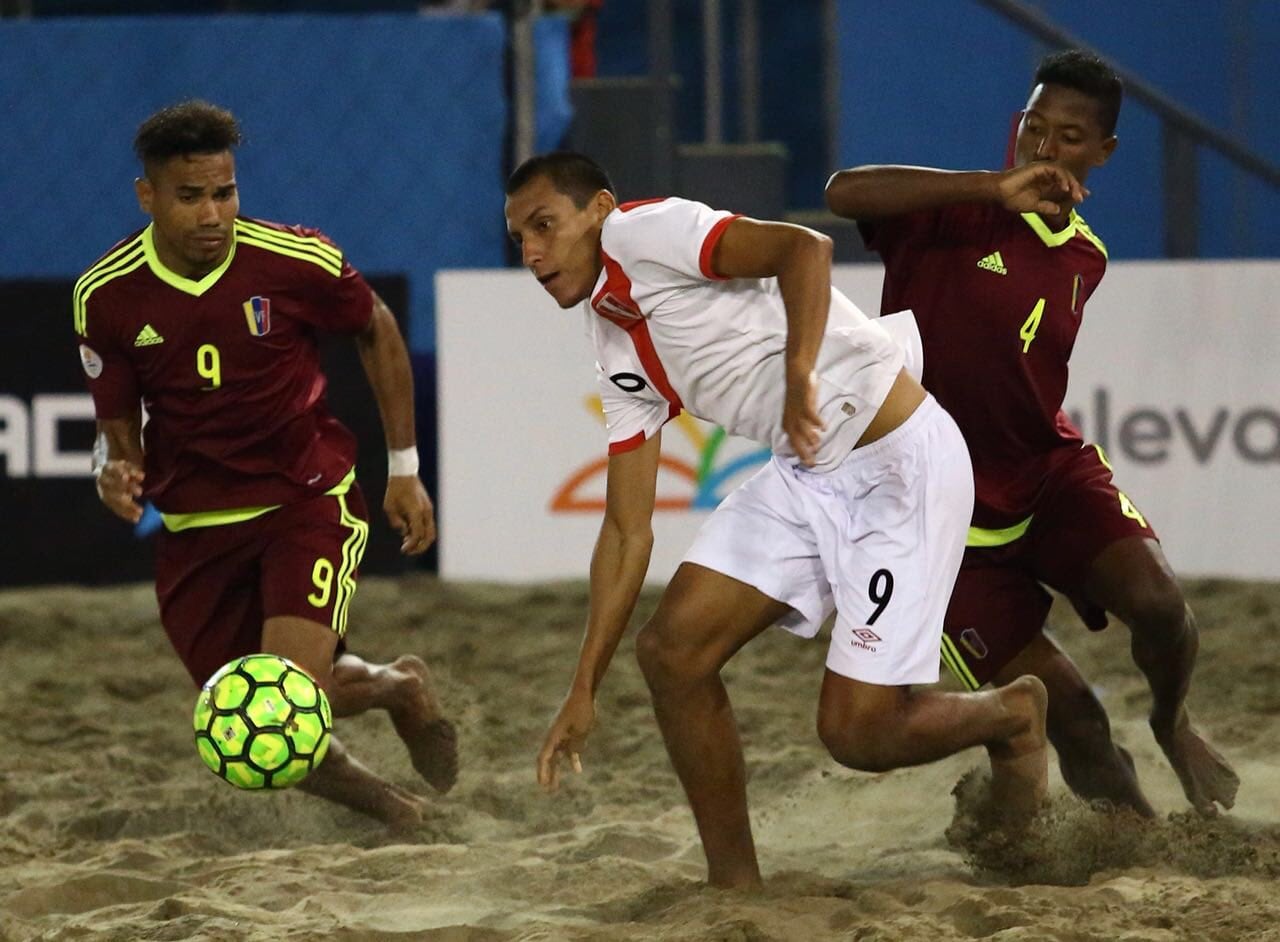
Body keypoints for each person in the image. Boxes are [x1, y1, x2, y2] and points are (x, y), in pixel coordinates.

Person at [505, 151, 1050, 889]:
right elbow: (627, 531)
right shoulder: (611, 344)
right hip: (806, 472)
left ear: (599, 209)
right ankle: (736, 888)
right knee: (671, 653)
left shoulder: (644, 233)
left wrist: (799, 373)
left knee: (859, 733)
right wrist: (583, 688)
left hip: (898, 464)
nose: (533, 252)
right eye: (519, 239)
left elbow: (806, 247)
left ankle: (1014, 715)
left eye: (545, 225)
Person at [824, 49, 1238, 817]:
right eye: (1035, 128)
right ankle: (1138, 848)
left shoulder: (1088, 257)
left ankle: (1172, 720)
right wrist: (990, 187)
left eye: (1069, 136)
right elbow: (842, 191)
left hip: (1048, 475)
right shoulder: (946, 211)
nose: (1046, 149)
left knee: (1160, 605)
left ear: (1102, 153)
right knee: (1075, 720)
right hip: (942, 522)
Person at [76, 100, 458, 828]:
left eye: (225, 192)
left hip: (303, 498)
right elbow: (116, 427)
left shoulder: (295, 259)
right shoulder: (106, 296)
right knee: (236, 726)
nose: (213, 213)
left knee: (280, 697)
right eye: (190, 197)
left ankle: (406, 820)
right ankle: (394, 709)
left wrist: (404, 467)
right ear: (147, 196)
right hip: (193, 525)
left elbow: (374, 327)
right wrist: (113, 468)